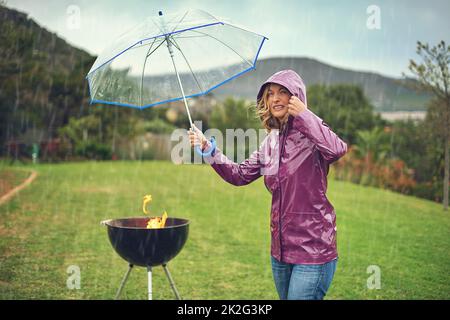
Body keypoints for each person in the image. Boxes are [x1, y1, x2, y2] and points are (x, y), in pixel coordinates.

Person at [188, 70, 348, 300]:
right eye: (270, 93)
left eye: (283, 92)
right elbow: (239, 175)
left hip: (313, 251)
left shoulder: (313, 136)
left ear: (297, 97)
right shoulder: (271, 142)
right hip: (280, 252)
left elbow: (337, 149)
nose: (275, 98)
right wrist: (208, 149)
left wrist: (305, 115)